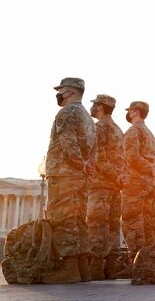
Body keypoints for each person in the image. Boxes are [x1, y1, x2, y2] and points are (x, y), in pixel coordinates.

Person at [42, 78, 96, 284]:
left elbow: (67, 142)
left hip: (65, 172)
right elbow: (94, 148)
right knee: (78, 218)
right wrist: (86, 166)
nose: (58, 94)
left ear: (71, 92)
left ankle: (69, 268)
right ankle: (82, 268)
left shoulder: (67, 112)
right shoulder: (88, 118)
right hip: (80, 176)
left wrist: (78, 164)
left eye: (61, 90)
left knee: (63, 218)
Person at [87, 94, 126, 280]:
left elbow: (99, 156)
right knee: (112, 226)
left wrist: (112, 174)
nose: (92, 108)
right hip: (115, 186)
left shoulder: (99, 127)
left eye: (95, 105)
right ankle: (111, 267)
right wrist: (118, 177)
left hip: (100, 184)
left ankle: (96, 268)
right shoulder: (118, 129)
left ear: (101, 107)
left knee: (97, 224)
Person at [118, 101, 155, 278]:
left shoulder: (133, 131)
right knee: (146, 221)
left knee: (131, 221)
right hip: (148, 183)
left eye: (130, 111)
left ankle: (136, 262)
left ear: (134, 112)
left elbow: (132, 157)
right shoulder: (149, 132)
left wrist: (147, 168)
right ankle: (146, 261)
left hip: (135, 181)